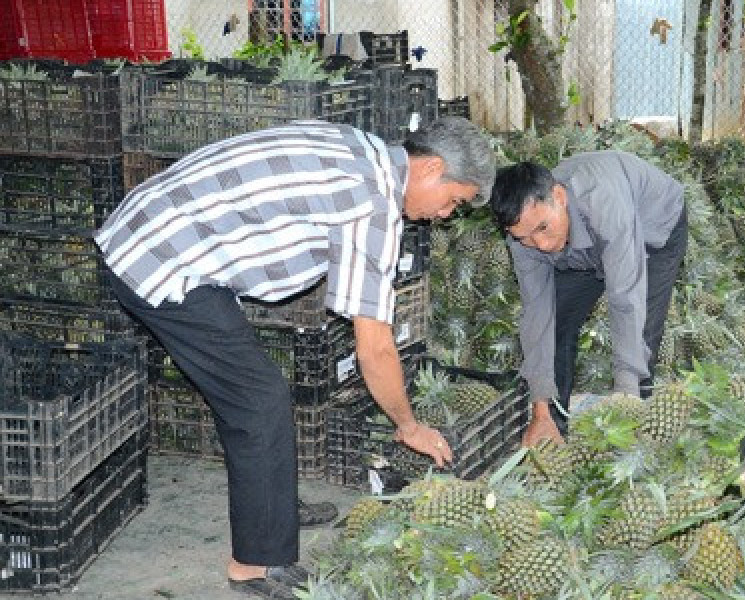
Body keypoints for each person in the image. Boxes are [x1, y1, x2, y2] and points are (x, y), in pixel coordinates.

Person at [93, 117, 495, 599]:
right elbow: (376, 346)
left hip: (162, 228)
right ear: (431, 167)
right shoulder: (372, 203)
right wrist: (407, 425)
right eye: (453, 201)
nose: (446, 215)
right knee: (259, 399)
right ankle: (254, 565)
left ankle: (271, 508)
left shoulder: (365, 149)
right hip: (158, 258)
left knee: (256, 391)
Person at [488, 151, 687, 445]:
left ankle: (638, 429)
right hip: (576, 245)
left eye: (543, 227)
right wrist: (539, 407)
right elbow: (537, 313)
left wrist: (625, 396)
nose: (540, 244)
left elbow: (625, 298)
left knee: (641, 334)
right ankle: (553, 429)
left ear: (559, 196)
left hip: (652, 228)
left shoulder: (603, 203)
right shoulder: (524, 239)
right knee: (558, 325)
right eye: (525, 237)